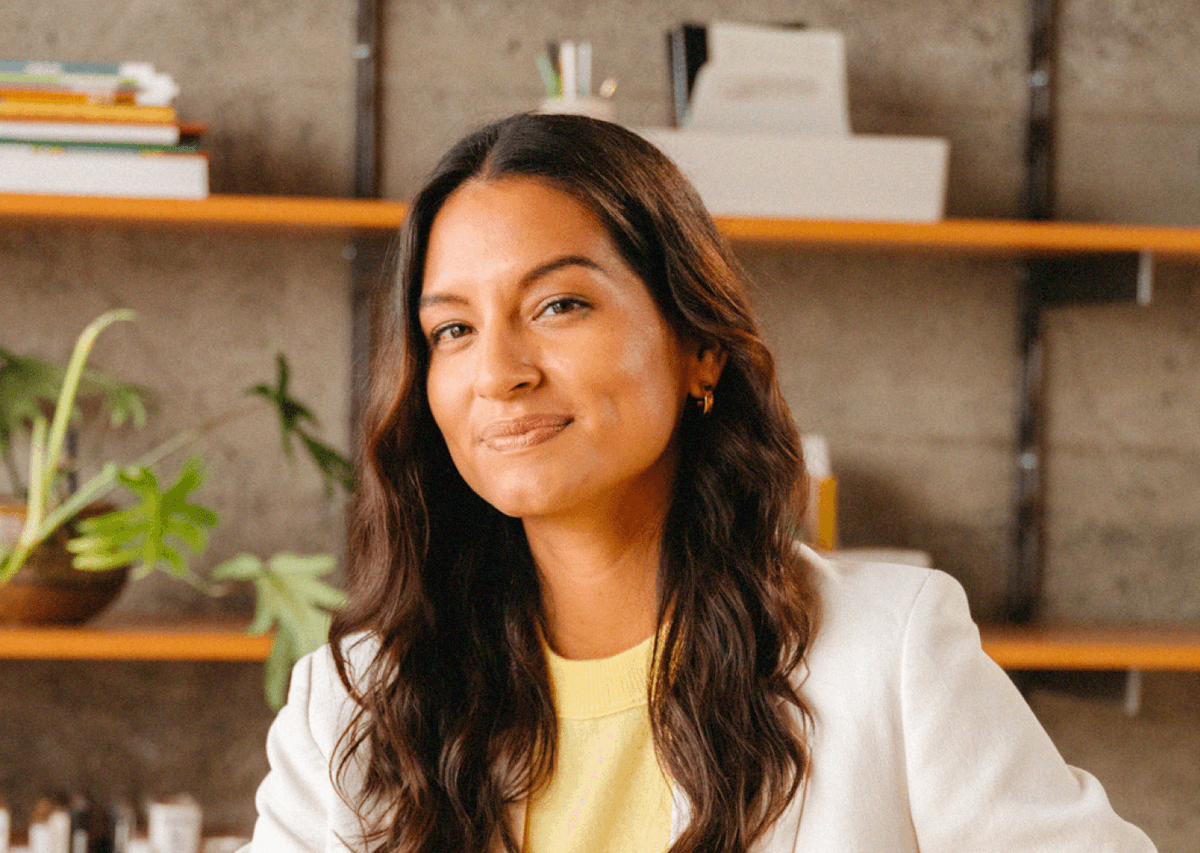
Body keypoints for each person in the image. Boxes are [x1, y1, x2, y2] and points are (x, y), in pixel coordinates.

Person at [245, 112, 1157, 853]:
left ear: (699, 346)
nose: (499, 371)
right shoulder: (353, 698)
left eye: (559, 305)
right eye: (452, 330)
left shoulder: (891, 655)